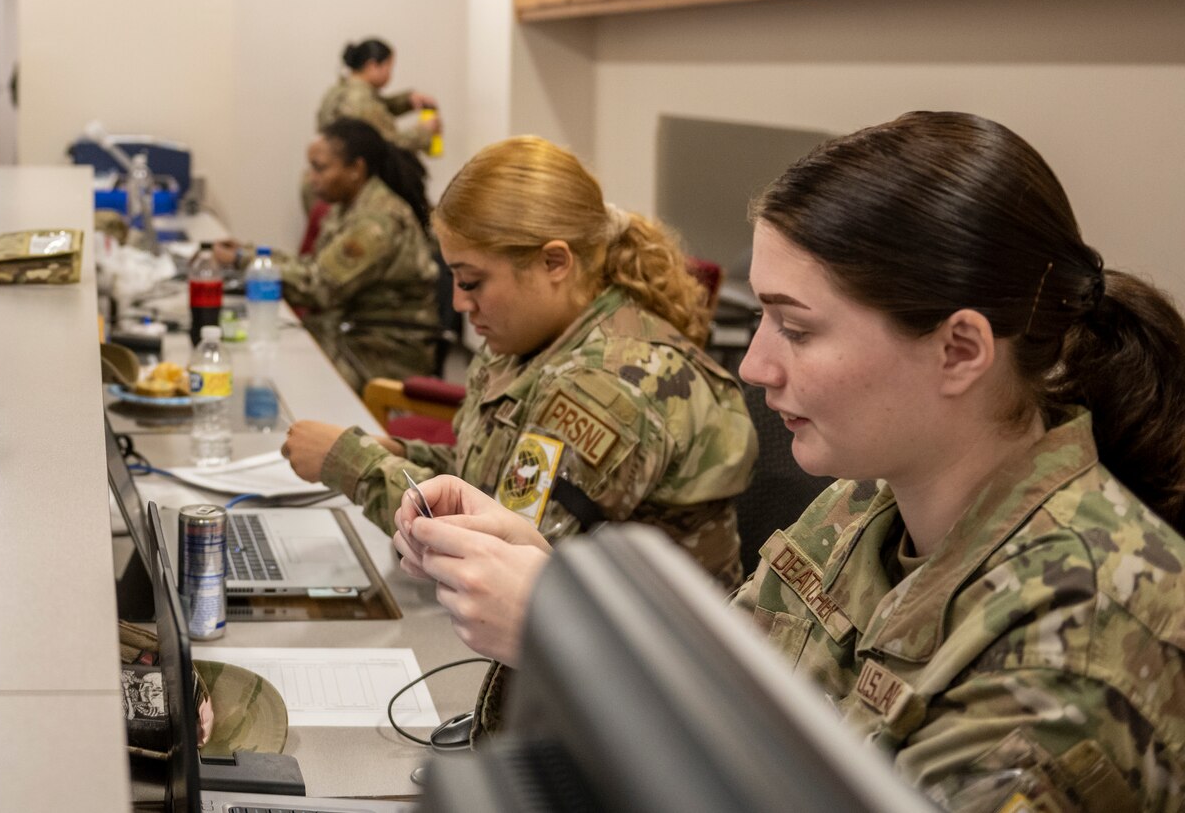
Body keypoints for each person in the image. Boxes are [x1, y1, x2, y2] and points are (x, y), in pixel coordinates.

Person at [394, 113, 1185, 811]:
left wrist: (565, 640)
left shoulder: (1079, 647)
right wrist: (576, 600)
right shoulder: (865, 505)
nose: (755, 365)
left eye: (797, 329)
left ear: (960, 348)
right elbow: (729, 688)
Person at [281, 136, 756, 586]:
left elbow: (502, 562)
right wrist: (404, 457)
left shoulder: (606, 387)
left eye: (470, 281)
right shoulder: (535, 337)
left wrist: (351, 463)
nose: (460, 303)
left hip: (640, 659)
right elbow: (501, 479)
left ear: (554, 263)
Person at [223, 119, 441, 390]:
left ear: (355, 170)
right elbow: (316, 266)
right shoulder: (346, 206)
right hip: (349, 330)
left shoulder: (376, 221)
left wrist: (243, 261)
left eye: (320, 168)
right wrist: (252, 255)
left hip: (381, 349)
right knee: (255, 353)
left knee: (281, 376)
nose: (311, 178)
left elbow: (319, 286)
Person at [317, 37, 439, 155]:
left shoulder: (339, 91)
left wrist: (407, 100)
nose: (390, 75)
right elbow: (392, 145)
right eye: (389, 68)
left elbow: (378, 107)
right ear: (372, 66)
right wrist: (424, 130)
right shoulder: (361, 100)